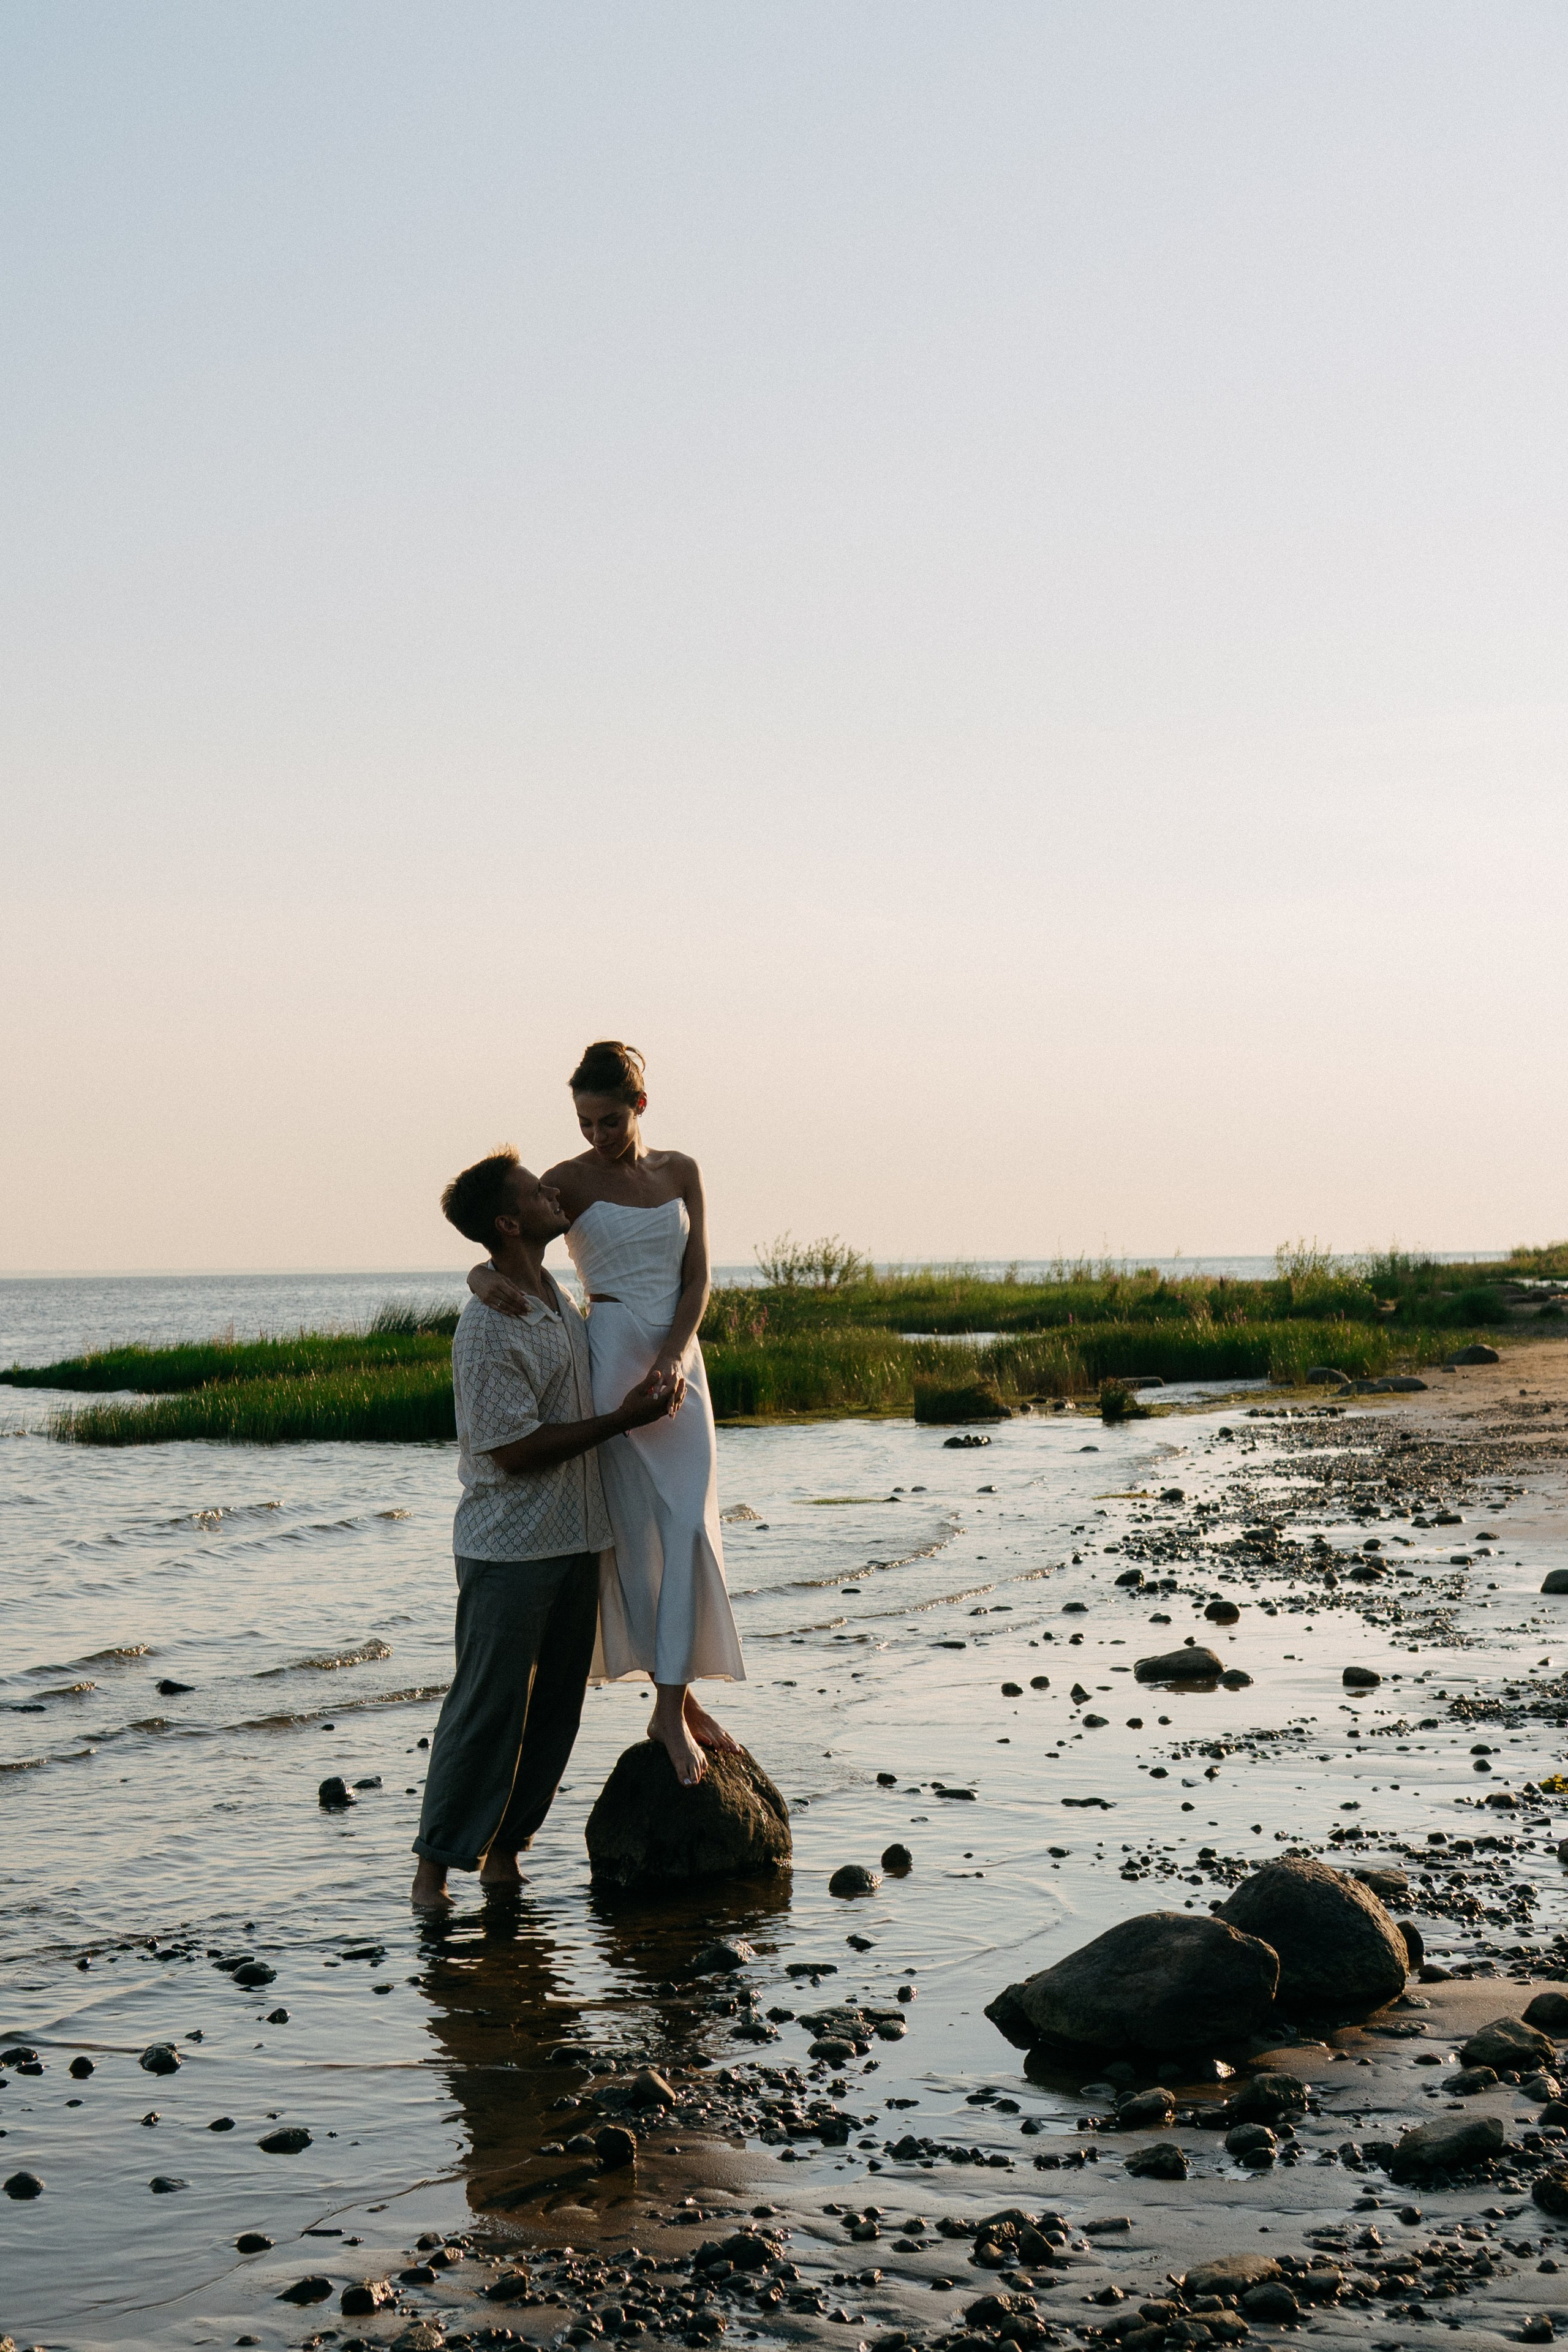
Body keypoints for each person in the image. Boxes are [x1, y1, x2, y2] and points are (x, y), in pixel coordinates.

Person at [468, 1041, 745, 1787]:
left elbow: (699, 1276)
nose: (597, 1134)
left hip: (677, 1359)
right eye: (585, 1122)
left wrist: (674, 1357)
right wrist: (474, 1276)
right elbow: (501, 1237)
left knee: (691, 1526)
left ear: (640, 1107)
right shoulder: (566, 1182)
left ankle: (674, 1703)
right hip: (613, 1349)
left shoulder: (681, 1170)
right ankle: (670, 1703)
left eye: (610, 1120)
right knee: (639, 1532)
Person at [410, 1146, 679, 1906]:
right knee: (487, 1710)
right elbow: (516, 1451)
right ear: (507, 1221)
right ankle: (432, 1873)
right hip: (510, 1548)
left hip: (575, 1541)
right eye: (535, 1191)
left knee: (556, 1710)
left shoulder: (549, 1294)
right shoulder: (488, 1327)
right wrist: (621, 1422)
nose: (551, 1191)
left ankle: (505, 1857)